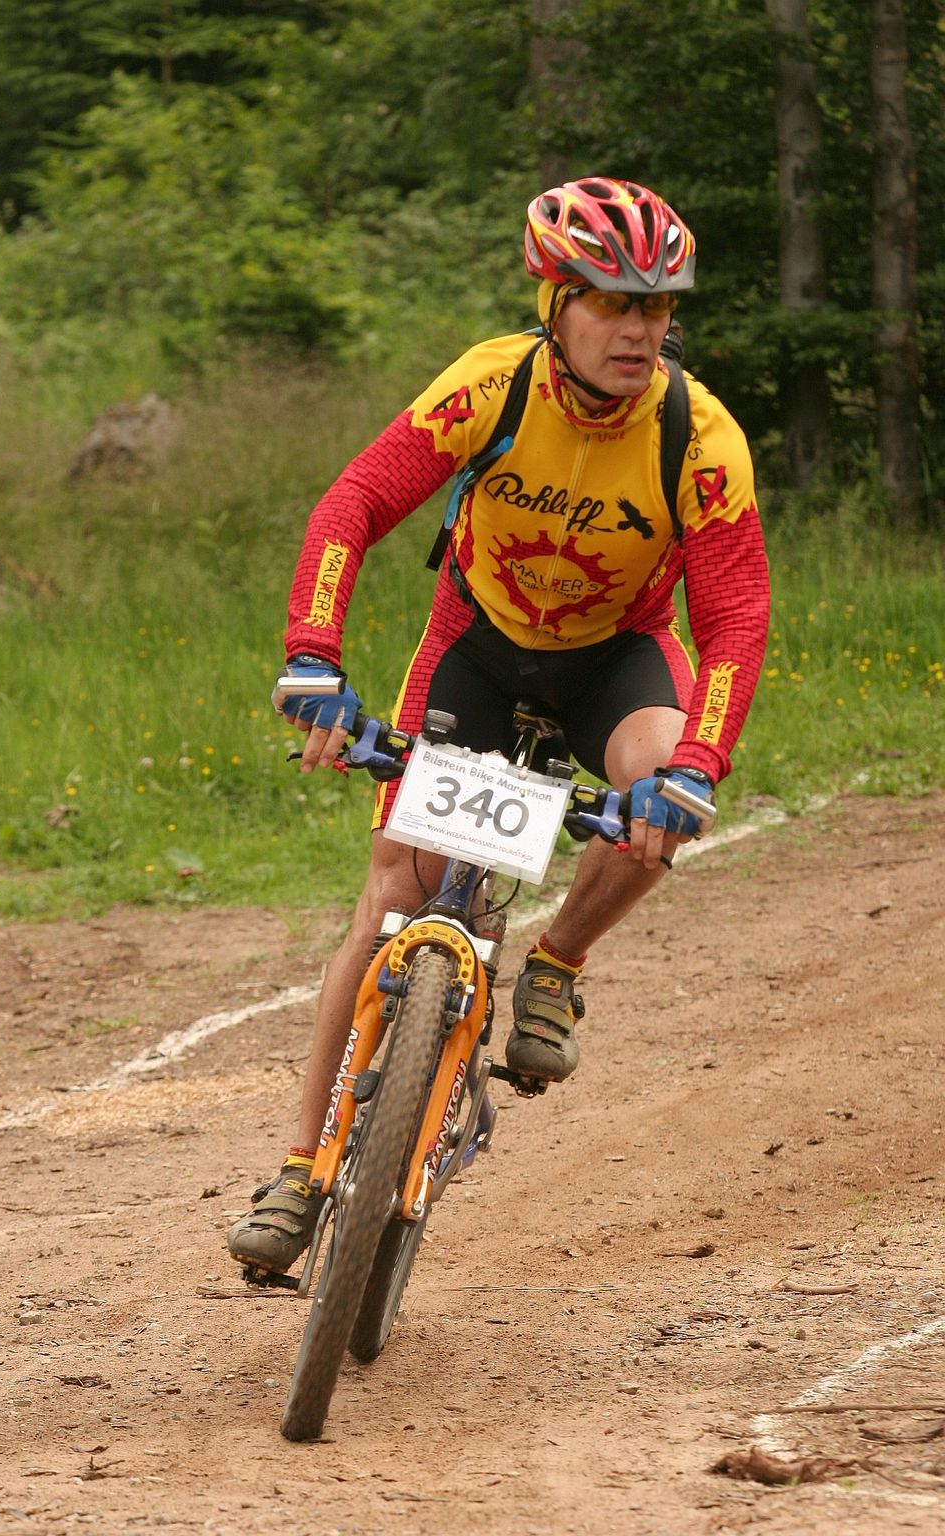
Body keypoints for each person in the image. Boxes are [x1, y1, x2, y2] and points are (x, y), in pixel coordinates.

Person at [228, 176, 770, 1274]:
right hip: (475, 646)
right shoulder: (490, 385)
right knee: (395, 889)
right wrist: (313, 655)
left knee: (660, 785)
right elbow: (353, 508)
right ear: (555, 298)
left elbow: (735, 618)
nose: (641, 330)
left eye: (660, 309)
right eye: (615, 302)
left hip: (614, 658)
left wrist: (698, 765)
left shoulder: (701, 440)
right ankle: (300, 1169)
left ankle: (558, 962)